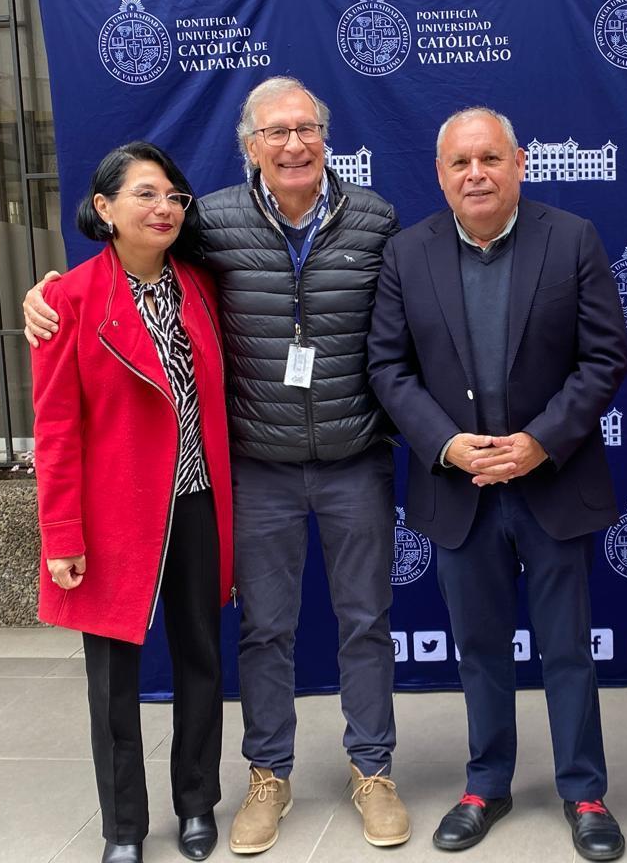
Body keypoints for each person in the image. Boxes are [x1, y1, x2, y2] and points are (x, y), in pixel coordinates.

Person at [24, 77, 409, 854]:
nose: (293, 144)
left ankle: (370, 771)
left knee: (362, 625)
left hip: (348, 460)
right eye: (275, 133)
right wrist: (49, 290)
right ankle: (265, 776)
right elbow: (123, 274)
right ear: (249, 148)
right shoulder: (214, 224)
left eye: (306, 128)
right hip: (247, 471)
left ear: (325, 136)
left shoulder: (374, 219)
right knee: (263, 633)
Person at [367, 107, 627, 861]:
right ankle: (487, 783)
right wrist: (447, 445)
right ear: (440, 174)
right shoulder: (406, 253)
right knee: (478, 647)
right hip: (460, 490)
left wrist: (540, 442)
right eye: (460, 163)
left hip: (553, 484)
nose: (475, 174)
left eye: (489, 158)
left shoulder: (571, 238)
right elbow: (388, 367)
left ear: (520, 163)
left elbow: (605, 357)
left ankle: (585, 791)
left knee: (567, 648)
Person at [32, 142, 233, 863]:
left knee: (201, 661)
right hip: (114, 514)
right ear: (104, 208)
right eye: (145, 194)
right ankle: (123, 827)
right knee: (114, 681)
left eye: (174, 196)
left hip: (196, 501)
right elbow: (55, 428)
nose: (164, 207)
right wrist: (61, 533)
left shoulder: (201, 287)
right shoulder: (68, 300)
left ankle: (197, 803)